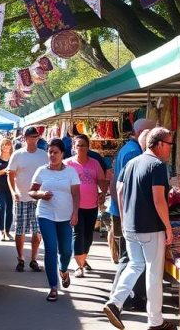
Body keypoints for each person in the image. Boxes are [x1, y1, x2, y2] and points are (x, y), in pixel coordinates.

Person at [104, 127, 175, 330]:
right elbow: (158, 199)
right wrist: (168, 227)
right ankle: (155, 321)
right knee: (153, 273)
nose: (171, 148)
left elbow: (119, 189)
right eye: (169, 144)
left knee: (135, 265)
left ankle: (115, 302)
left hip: (131, 226)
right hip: (151, 228)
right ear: (160, 144)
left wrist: (126, 217)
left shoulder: (132, 163)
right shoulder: (157, 165)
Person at [109, 117, 156, 311]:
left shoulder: (128, 150)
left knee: (130, 257)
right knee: (130, 258)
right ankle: (120, 298)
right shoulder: (134, 153)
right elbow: (126, 188)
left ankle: (129, 296)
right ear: (142, 133)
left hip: (125, 211)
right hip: (129, 213)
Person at [30, 138, 81, 302]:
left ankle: (64, 270)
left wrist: (75, 213)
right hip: (46, 215)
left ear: (62, 154)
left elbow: (76, 194)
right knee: (51, 249)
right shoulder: (41, 171)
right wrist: (40, 195)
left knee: (66, 250)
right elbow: (32, 192)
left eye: (55, 152)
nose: (52, 155)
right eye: (50, 152)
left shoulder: (71, 172)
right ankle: (53, 286)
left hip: (65, 216)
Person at [64, 134, 107, 276]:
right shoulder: (68, 164)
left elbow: (102, 180)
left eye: (83, 145)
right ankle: (79, 266)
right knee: (77, 233)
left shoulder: (94, 163)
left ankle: (83, 258)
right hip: (74, 206)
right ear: (73, 147)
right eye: (78, 145)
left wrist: (103, 193)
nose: (81, 148)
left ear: (88, 147)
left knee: (88, 235)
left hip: (92, 205)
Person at [8, 126, 47, 272]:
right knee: (20, 230)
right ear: (25, 138)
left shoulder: (44, 155)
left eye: (36, 136)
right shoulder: (17, 155)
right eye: (32, 136)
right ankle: (21, 259)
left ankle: (34, 259)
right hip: (22, 197)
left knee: (37, 231)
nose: (34, 139)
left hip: (39, 198)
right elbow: (10, 175)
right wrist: (13, 191)